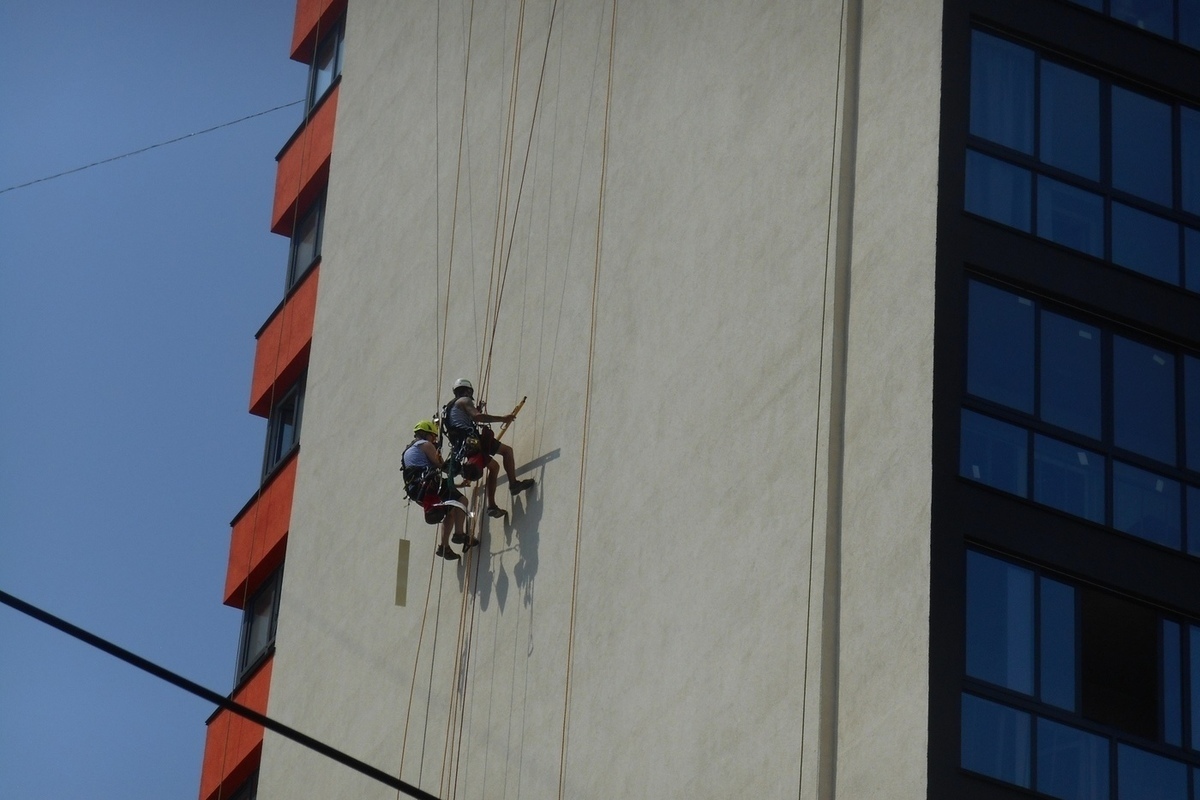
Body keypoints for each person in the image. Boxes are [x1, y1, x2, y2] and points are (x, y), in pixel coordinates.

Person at [442, 378, 535, 517]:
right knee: (507, 451)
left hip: (462, 447)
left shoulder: (449, 408)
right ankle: (514, 484)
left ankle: (492, 506)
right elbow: (478, 417)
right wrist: (503, 418)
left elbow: (461, 421)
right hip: (472, 441)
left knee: (494, 467)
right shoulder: (464, 401)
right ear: (468, 390)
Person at [402, 419, 475, 560]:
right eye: (432, 436)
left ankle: (444, 547)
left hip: (418, 491)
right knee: (461, 500)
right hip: (429, 485)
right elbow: (441, 466)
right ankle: (459, 534)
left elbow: (429, 472)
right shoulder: (425, 444)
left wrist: (459, 485)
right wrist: (461, 469)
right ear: (426, 434)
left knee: (450, 511)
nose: (434, 439)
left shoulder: (407, 451)